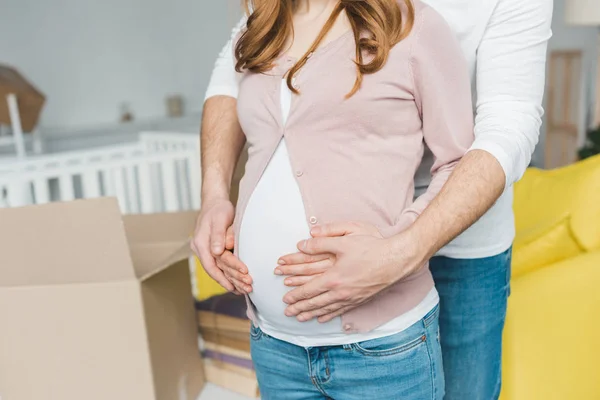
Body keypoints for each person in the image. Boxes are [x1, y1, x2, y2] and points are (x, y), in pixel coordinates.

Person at [193, 0, 553, 398]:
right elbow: (233, 76)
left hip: (464, 237)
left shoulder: (417, 25)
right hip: (279, 340)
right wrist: (214, 195)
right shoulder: (281, 14)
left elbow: (509, 125)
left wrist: (400, 251)